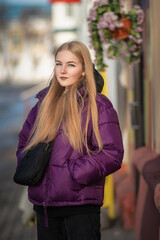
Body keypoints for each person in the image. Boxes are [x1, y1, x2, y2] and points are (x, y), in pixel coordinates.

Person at [16, 41, 124, 240]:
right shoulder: (43, 105)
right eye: (59, 64)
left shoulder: (98, 105)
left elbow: (112, 152)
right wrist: (31, 167)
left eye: (71, 65)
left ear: (84, 70)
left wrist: (75, 173)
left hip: (80, 206)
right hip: (45, 208)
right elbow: (24, 143)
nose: (63, 70)